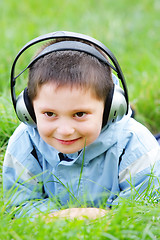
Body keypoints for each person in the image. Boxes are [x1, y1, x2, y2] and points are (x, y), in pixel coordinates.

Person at [3, 31, 160, 219]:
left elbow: (143, 211)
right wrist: (70, 216)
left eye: (79, 114)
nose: (65, 131)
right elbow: (18, 206)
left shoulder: (137, 147)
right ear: (27, 109)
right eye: (50, 114)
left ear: (111, 107)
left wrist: (85, 217)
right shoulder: (24, 143)